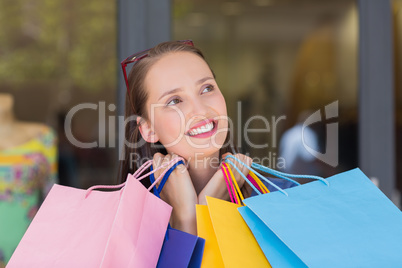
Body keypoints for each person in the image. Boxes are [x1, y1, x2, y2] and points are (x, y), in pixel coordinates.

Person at [118, 40, 293, 235]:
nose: (201, 110)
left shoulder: (286, 199)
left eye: (207, 88)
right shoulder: (127, 228)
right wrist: (187, 219)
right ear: (148, 129)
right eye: (174, 101)